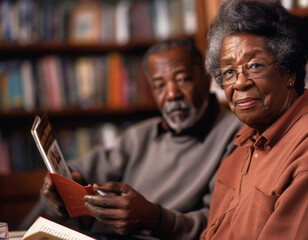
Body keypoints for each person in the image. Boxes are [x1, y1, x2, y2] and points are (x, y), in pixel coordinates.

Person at [41, 39, 243, 240]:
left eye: (182, 79)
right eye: (159, 86)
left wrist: (154, 218)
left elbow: (216, 223)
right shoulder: (141, 134)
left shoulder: (235, 135)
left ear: (206, 78)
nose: (172, 94)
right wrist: (62, 183)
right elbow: (82, 169)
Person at [200, 0, 308, 239]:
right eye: (229, 72)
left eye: (254, 66)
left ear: (289, 72)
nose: (240, 82)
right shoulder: (236, 153)